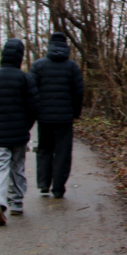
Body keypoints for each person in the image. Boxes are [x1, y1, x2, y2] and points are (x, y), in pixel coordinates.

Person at [0, 38, 39, 226]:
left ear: (3, 55)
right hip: (20, 132)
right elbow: (34, 107)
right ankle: (17, 204)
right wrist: (26, 126)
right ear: (20, 57)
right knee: (17, 166)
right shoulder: (25, 79)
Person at [30, 32, 85, 199]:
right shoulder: (72, 67)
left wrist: (34, 112)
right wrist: (75, 113)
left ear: (50, 46)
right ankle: (59, 188)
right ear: (66, 46)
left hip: (44, 117)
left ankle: (44, 183)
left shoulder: (38, 66)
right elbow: (79, 92)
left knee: (44, 149)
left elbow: (30, 91)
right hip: (65, 118)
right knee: (63, 152)